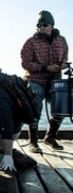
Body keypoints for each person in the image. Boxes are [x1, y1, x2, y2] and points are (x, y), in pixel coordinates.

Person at [21, 10, 69, 153]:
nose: (41, 27)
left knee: (62, 106)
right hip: (36, 79)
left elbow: (65, 59)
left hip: (55, 79)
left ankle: (50, 137)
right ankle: (33, 142)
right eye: (39, 25)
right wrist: (45, 67)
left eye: (44, 24)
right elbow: (26, 63)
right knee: (35, 102)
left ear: (52, 25)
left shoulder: (62, 40)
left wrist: (62, 66)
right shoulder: (30, 42)